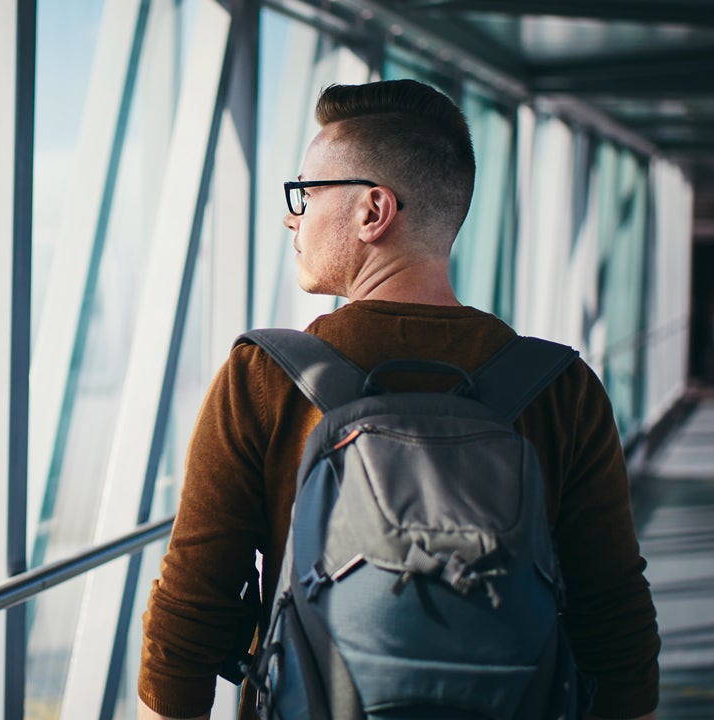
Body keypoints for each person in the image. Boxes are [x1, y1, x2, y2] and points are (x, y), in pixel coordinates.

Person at [136, 79, 660, 720]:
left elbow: (189, 616)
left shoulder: (264, 378)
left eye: (305, 193)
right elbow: (614, 620)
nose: (291, 217)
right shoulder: (562, 387)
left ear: (373, 211)